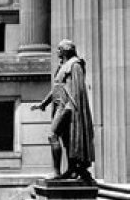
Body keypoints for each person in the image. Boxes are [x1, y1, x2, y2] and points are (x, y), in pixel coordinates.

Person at [32, 39, 95, 183]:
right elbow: (57, 88)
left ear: (66, 50)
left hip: (67, 107)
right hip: (59, 106)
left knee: (52, 135)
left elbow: (77, 90)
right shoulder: (63, 66)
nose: (57, 51)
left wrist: (70, 108)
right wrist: (44, 103)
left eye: (59, 49)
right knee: (67, 140)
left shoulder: (75, 65)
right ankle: (72, 169)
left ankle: (56, 171)